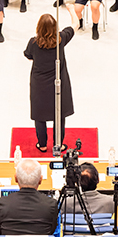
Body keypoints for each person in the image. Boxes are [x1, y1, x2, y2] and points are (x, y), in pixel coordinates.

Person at [24, 10, 79, 153]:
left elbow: (28, 56)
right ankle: (58, 145)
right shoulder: (61, 39)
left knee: (39, 115)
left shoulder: (33, 43)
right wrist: (71, 9)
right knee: (59, 114)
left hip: (39, 84)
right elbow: (75, 24)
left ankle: (42, 144)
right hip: (58, 83)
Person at [0, 159, 59, 236]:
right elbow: (52, 230)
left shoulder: (3, 203)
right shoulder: (51, 204)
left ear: (16, 178)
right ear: (40, 180)